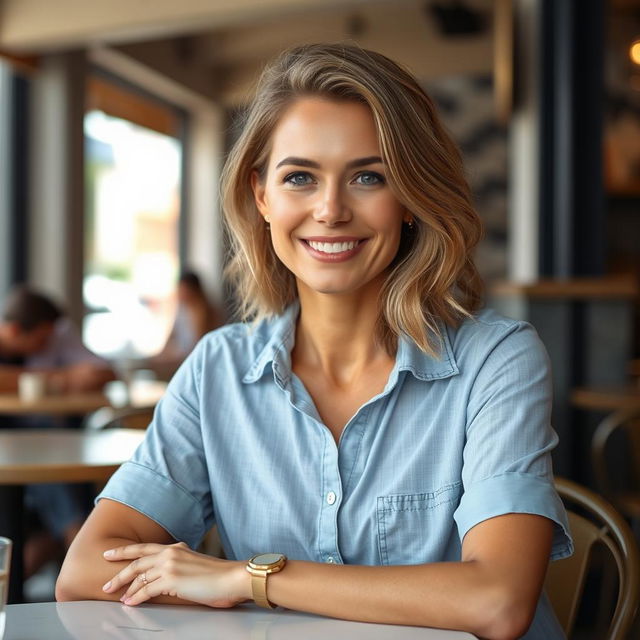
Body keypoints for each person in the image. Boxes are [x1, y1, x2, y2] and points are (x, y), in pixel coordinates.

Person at [56, 44, 572, 639]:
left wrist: (246, 580)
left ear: (409, 197)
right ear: (261, 196)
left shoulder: (496, 360)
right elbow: (86, 571)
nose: (330, 209)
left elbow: (497, 602)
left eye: (368, 177)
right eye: (299, 176)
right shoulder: (218, 368)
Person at [0, 285, 116, 575]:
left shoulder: (55, 336)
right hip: (16, 447)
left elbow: (104, 372)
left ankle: (76, 542)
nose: (48, 343)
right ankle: (80, 542)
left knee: (47, 446)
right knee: (42, 449)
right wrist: (62, 378)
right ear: (15, 331)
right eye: (41, 339)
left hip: (41, 440)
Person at [152, 270, 224, 372]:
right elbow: (172, 336)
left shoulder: (207, 312)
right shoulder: (182, 310)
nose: (181, 293)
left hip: (198, 360)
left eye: (184, 289)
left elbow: (200, 345)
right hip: (183, 358)